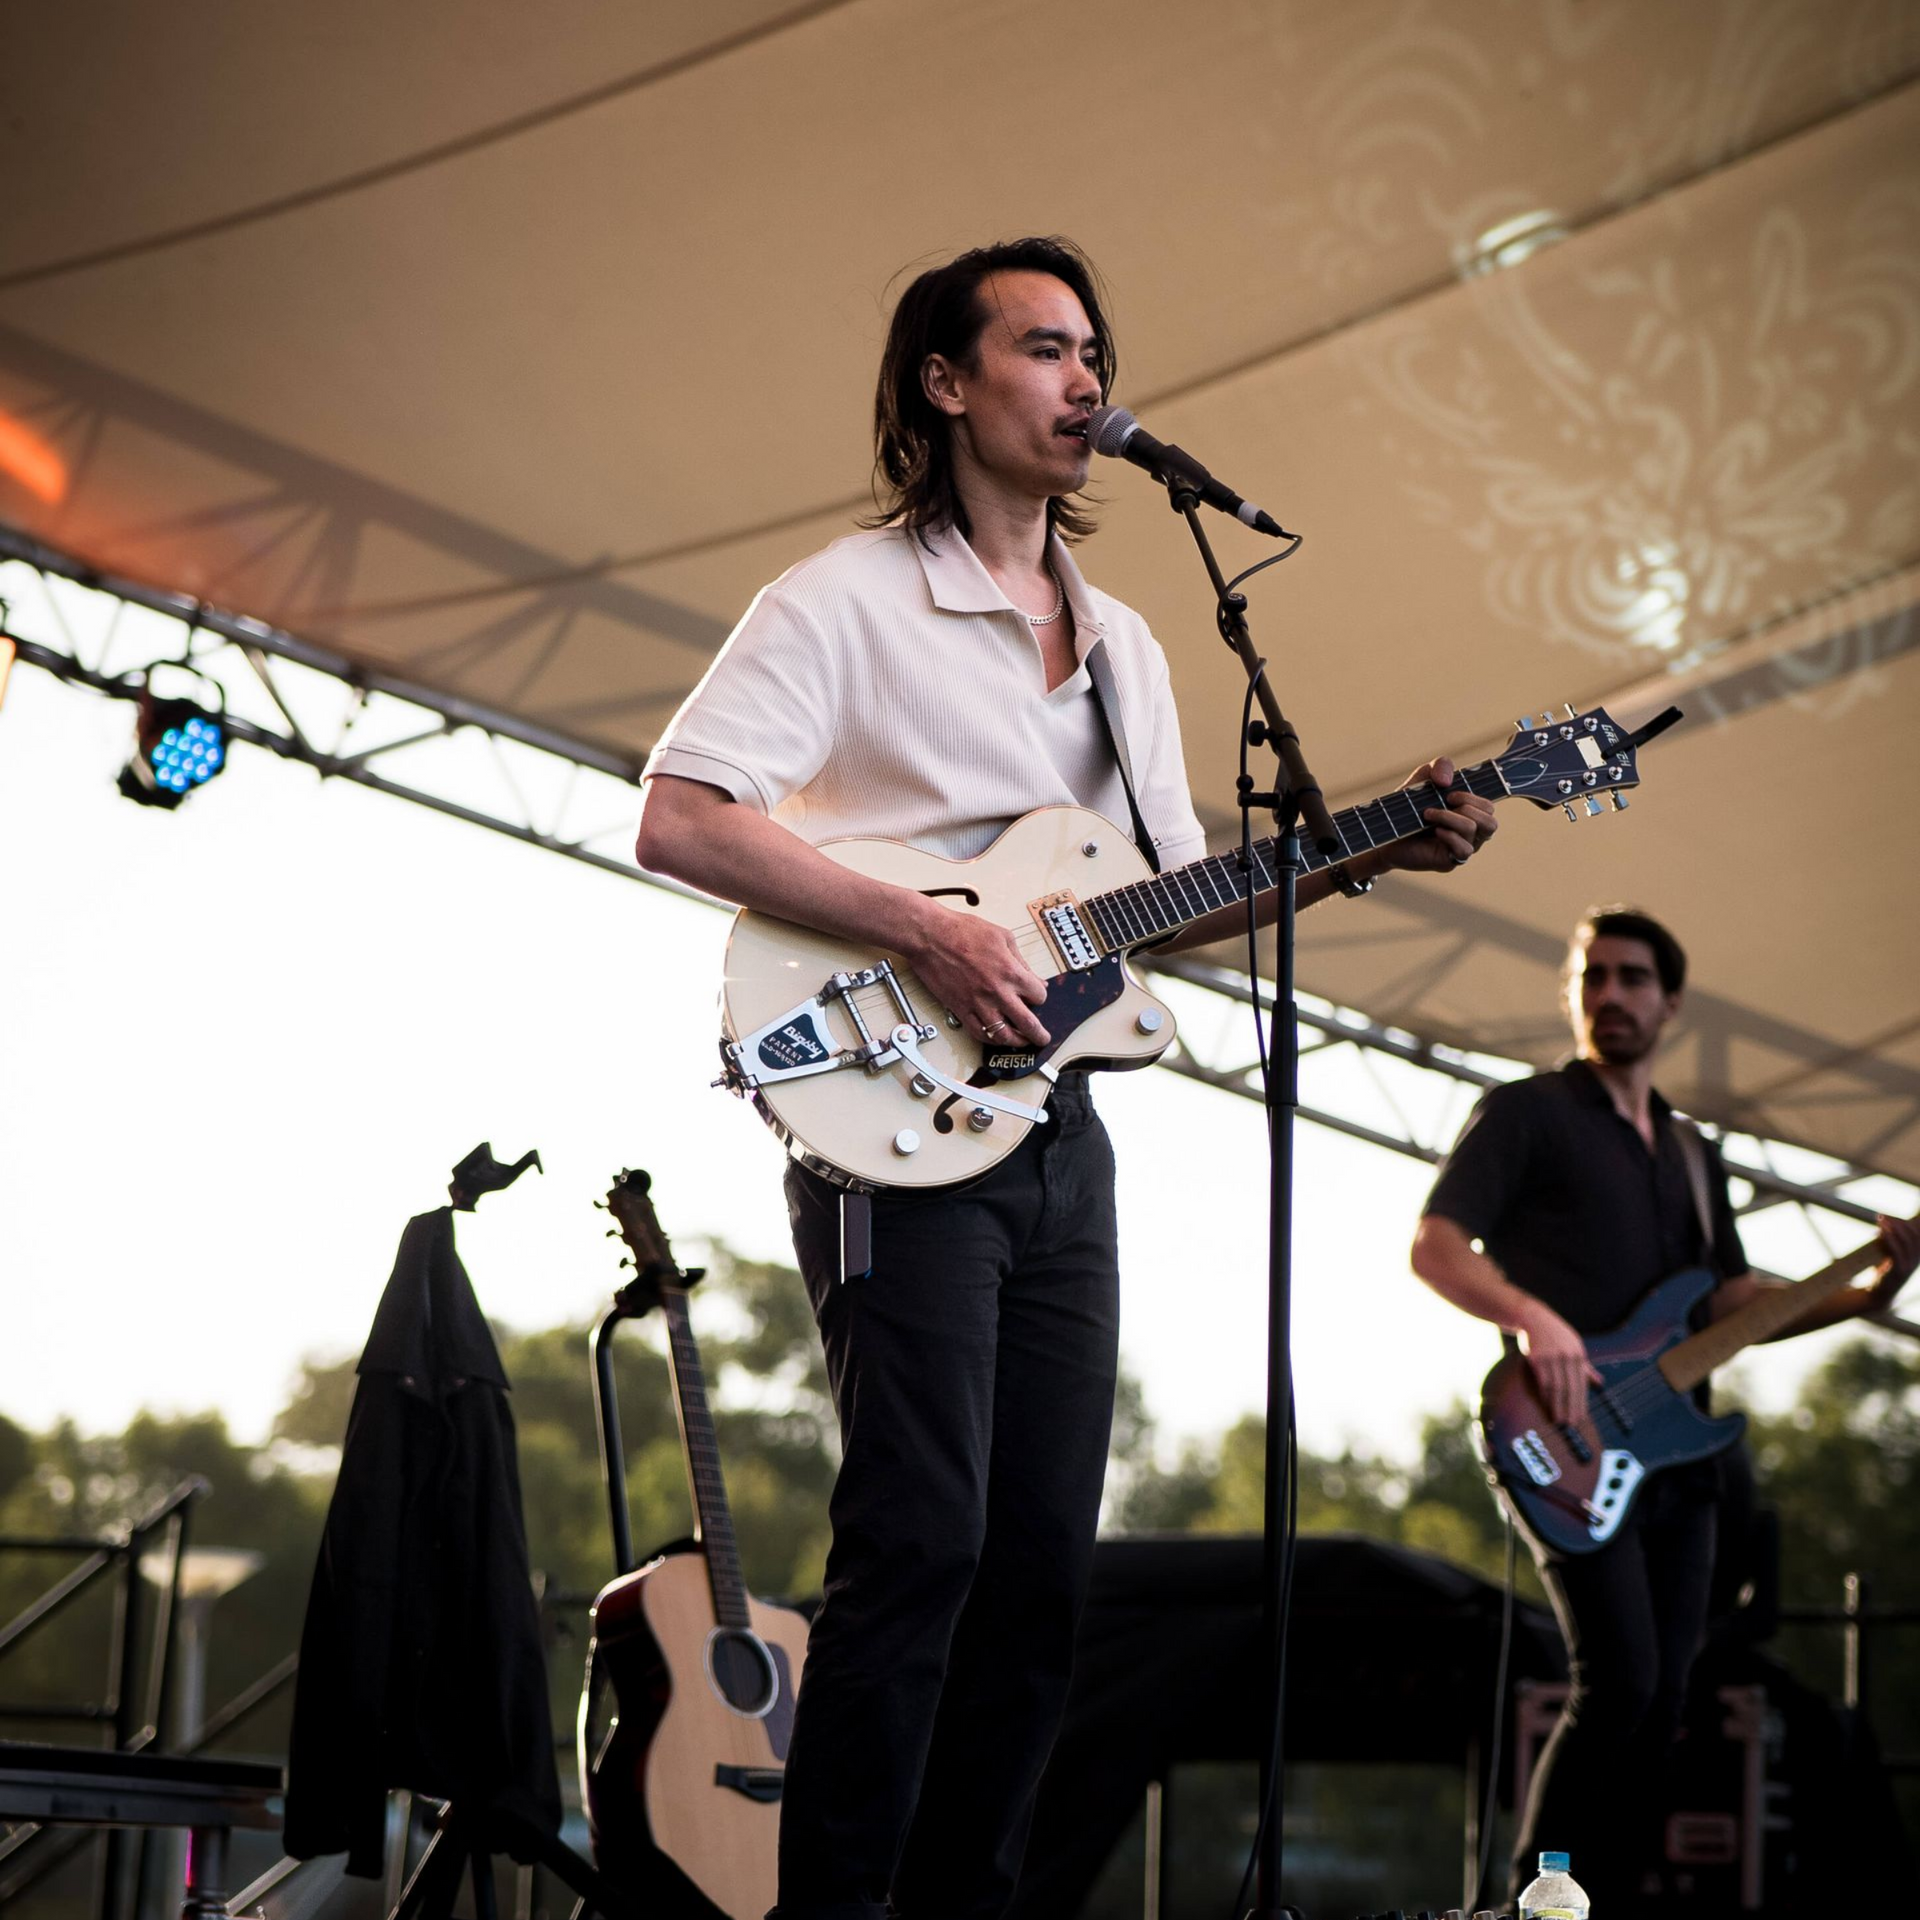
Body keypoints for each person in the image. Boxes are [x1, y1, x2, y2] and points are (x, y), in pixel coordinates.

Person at [636, 235, 1501, 1920]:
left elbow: (1168, 900)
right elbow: (679, 813)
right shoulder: (843, 600)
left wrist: (1372, 849)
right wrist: (931, 932)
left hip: (1055, 1129)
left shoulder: (1132, 649)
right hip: (884, 1115)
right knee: (923, 1545)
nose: (1084, 379)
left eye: (1094, 350)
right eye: (1042, 347)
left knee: (1041, 1573)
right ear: (946, 385)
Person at [1411, 906, 1920, 1910]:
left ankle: (1599, 1893)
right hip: (1560, 1436)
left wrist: (1870, 1293)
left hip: (1680, 1460)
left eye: (1632, 978)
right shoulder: (1526, 1114)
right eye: (1592, 975)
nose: (1610, 994)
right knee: (1620, 1683)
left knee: (1667, 1700)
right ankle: (1535, 1895)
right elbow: (1435, 1246)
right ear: (1574, 993)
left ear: (1671, 1002)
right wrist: (1532, 1321)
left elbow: (1730, 1305)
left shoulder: (1692, 1149)